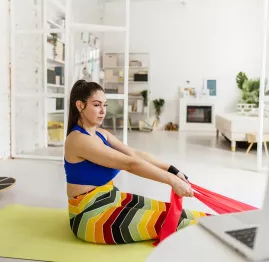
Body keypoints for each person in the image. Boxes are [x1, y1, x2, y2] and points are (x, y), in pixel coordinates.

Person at [64, 80, 210, 244]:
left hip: (112, 198)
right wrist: (172, 181)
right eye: (97, 105)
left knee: (174, 212)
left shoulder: (100, 134)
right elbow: (130, 164)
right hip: (90, 215)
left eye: (105, 105)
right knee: (180, 222)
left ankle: (226, 223)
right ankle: (226, 233)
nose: (103, 111)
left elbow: (134, 154)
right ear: (80, 105)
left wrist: (173, 170)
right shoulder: (78, 140)